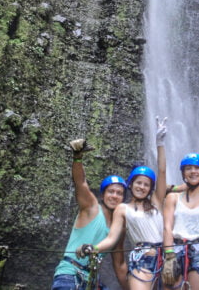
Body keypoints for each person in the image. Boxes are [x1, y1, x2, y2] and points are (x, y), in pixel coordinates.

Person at [77, 117, 168, 290]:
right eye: (138, 182)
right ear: (131, 184)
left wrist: (160, 143)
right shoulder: (122, 208)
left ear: (151, 188)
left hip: (167, 257)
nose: (141, 186)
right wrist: (94, 248)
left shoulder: (156, 202)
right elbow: (112, 238)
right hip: (143, 260)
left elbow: (162, 171)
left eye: (146, 184)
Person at [51, 138, 129, 290]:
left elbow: (119, 264)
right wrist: (77, 158)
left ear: (123, 198)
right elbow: (81, 183)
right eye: (110, 191)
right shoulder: (91, 207)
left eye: (119, 193)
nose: (114, 196)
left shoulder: (119, 227)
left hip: (92, 281)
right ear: (103, 194)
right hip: (70, 275)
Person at [161, 153, 199, 290]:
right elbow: (167, 227)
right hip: (174, 249)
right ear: (183, 173)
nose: (193, 171)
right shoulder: (173, 197)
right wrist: (169, 254)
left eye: (197, 168)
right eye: (188, 168)